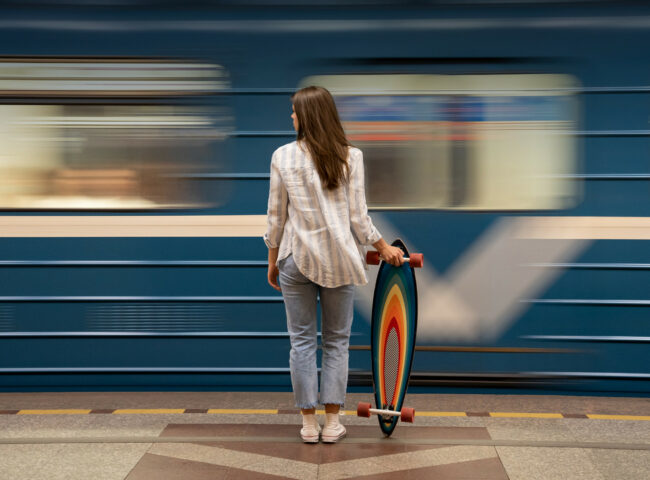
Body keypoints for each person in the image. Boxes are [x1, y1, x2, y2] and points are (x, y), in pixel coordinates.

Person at [263, 86, 403, 443]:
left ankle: (308, 425)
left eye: (294, 111)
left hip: (295, 258)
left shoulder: (282, 156)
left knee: (302, 342)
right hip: (340, 260)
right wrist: (383, 246)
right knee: (337, 342)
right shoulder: (350, 156)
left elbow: (276, 216)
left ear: (307, 116)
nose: (291, 116)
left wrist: (272, 259)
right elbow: (358, 217)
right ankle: (332, 423)